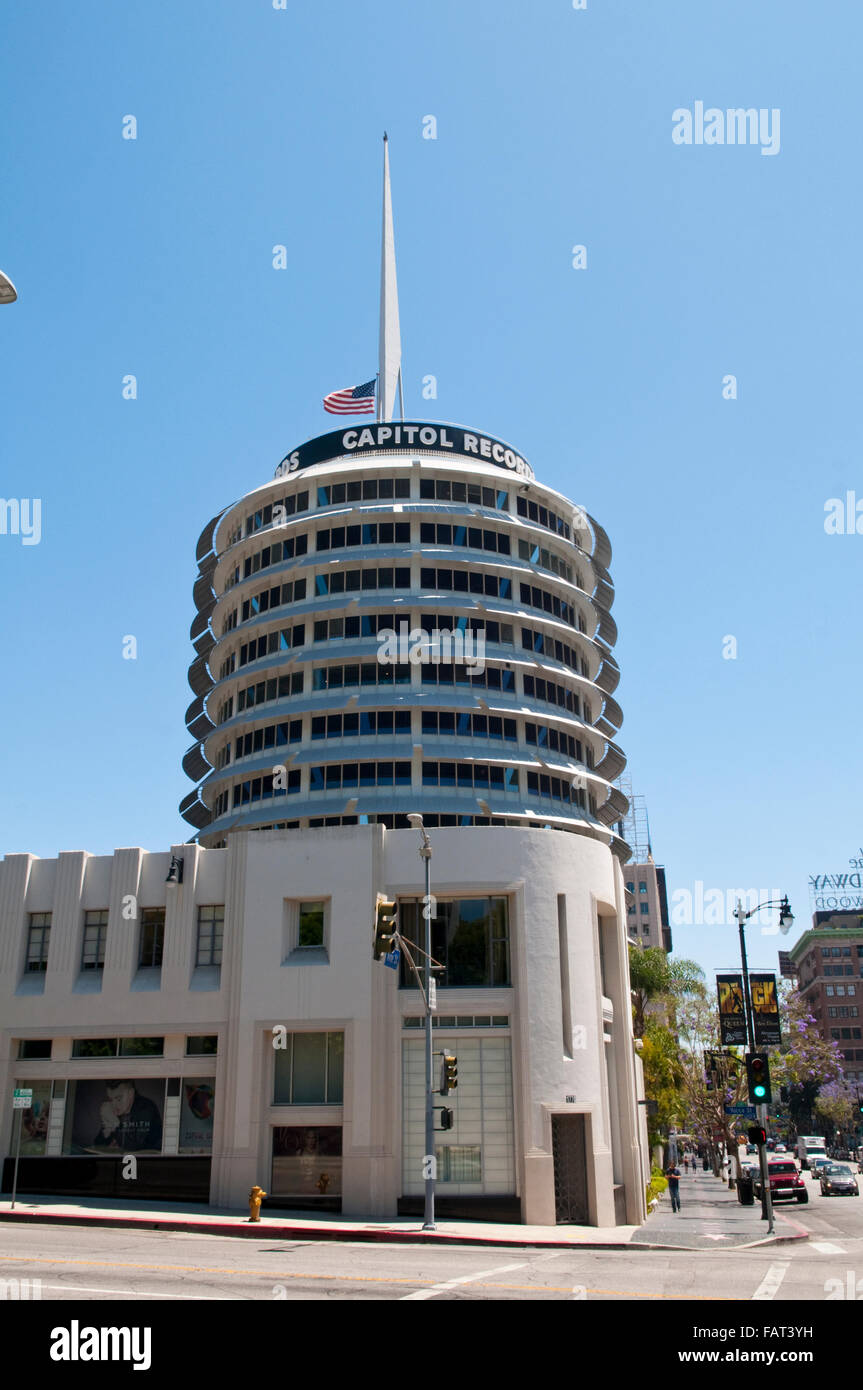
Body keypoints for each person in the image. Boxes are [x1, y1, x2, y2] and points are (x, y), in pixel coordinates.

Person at [92, 1080, 162, 1151]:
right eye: (110, 1099)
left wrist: (115, 1123)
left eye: (118, 1099)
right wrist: (107, 1130)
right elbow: (97, 1145)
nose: (113, 1104)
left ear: (131, 1093)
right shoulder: (117, 1109)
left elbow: (136, 1148)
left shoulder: (146, 1108)